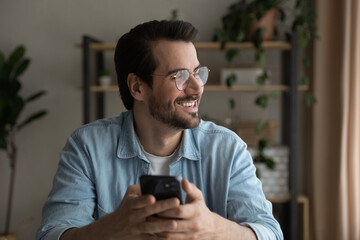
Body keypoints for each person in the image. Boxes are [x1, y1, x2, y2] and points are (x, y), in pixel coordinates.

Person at [36, 20, 283, 240]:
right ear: (137, 87)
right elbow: (51, 233)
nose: (196, 87)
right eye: (180, 76)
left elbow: (270, 233)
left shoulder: (228, 149)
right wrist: (109, 230)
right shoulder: (87, 147)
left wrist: (213, 228)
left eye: (198, 73)